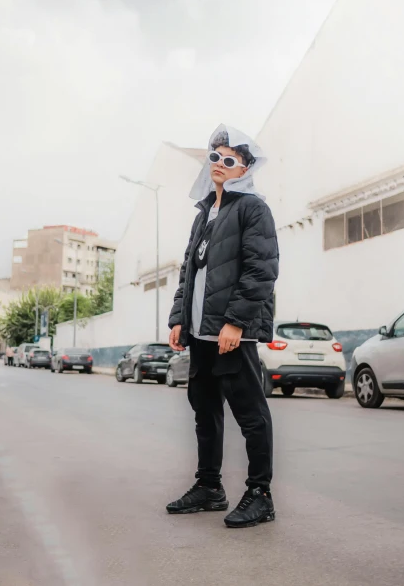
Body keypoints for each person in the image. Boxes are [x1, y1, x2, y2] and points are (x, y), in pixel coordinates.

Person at [166, 125, 279, 529]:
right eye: (215, 156)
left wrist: (235, 322)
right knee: (205, 410)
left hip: (232, 334)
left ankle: (260, 494)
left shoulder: (252, 209)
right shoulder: (205, 213)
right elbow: (188, 272)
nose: (219, 164)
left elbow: (261, 271)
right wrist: (179, 318)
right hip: (201, 333)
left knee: (250, 414)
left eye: (229, 160)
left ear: (245, 168)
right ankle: (209, 486)